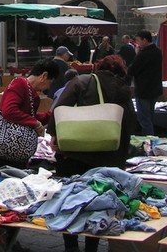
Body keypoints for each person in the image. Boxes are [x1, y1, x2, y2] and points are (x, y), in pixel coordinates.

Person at [48, 54, 138, 252]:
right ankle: (92, 245)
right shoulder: (123, 91)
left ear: (99, 67)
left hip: (74, 154)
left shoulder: (82, 81)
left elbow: (59, 108)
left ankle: (70, 245)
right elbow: (130, 124)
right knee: (97, 204)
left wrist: (55, 135)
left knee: (69, 200)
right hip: (108, 158)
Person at [0, 59, 59, 169]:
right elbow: (9, 111)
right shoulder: (19, 84)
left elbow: (27, 115)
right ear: (44, 75)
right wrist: (35, 123)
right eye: (50, 82)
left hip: (13, 153)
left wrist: (51, 116)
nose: (48, 87)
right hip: (3, 154)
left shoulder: (30, 91)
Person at [128, 30, 163, 136]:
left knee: (144, 119)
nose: (137, 43)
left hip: (144, 90)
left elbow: (132, 70)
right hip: (155, 89)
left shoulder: (143, 53)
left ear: (145, 40)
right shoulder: (158, 51)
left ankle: (149, 141)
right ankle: (150, 138)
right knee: (150, 117)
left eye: (138, 40)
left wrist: (137, 54)